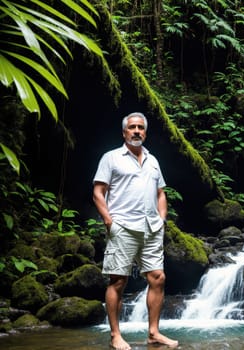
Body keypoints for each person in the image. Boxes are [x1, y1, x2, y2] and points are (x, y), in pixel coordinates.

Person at [93, 112, 178, 350]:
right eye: (132, 127)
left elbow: (161, 192)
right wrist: (109, 221)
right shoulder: (111, 158)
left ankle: (153, 333)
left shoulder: (153, 160)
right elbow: (98, 191)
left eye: (141, 127)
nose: (137, 131)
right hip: (123, 226)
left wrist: (162, 219)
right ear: (124, 132)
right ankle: (115, 336)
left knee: (157, 278)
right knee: (118, 281)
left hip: (151, 228)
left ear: (145, 132)